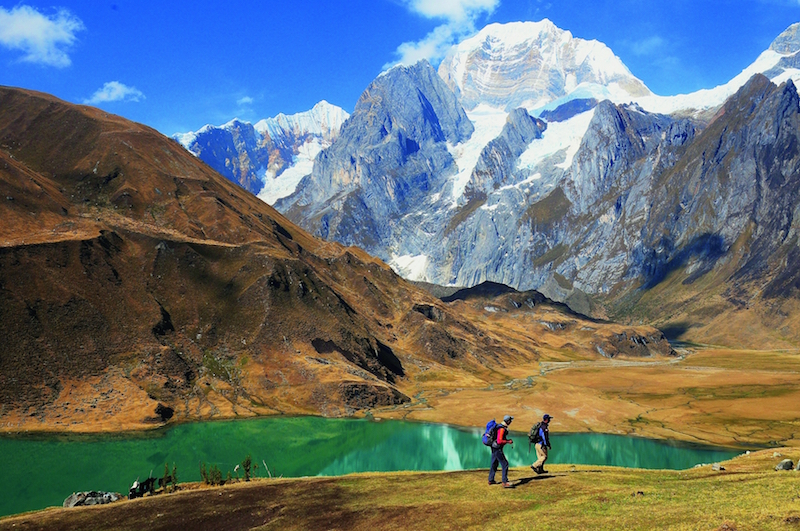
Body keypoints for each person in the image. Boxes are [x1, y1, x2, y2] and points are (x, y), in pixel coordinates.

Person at [488, 414, 514, 488]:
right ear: (508, 421)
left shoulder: (499, 426)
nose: (511, 422)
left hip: (494, 447)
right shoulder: (502, 429)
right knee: (505, 464)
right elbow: (499, 441)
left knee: (494, 463)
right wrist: (508, 441)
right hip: (497, 448)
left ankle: (491, 479)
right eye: (510, 420)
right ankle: (505, 482)